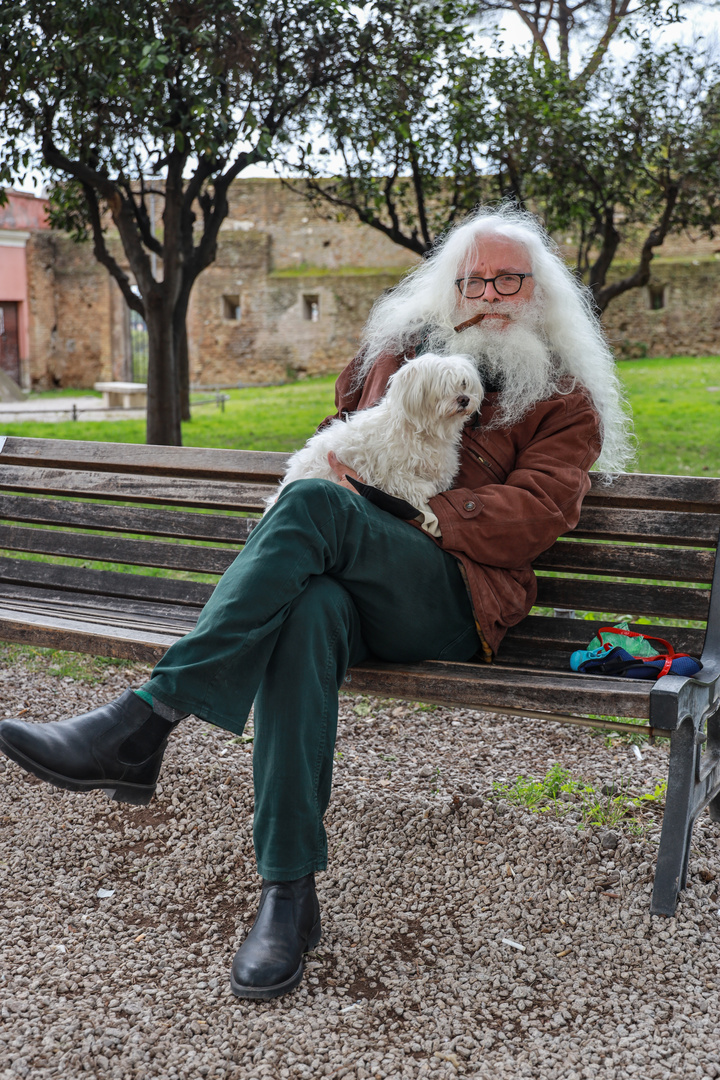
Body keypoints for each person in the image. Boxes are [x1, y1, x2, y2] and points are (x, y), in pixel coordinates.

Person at [0, 205, 632, 1001]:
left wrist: (411, 512)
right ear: (453, 285)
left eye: (512, 279)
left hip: (453, 598)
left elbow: (540, 512)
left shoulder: (563, 399)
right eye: (477, 278)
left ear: (539, 293)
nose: (493, 294)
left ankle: (142, 723)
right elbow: (339, 436)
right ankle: (287, 894)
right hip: (349, 588)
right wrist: (350, 475)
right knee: (304, 614)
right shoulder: (394, 355)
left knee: (315, 507)